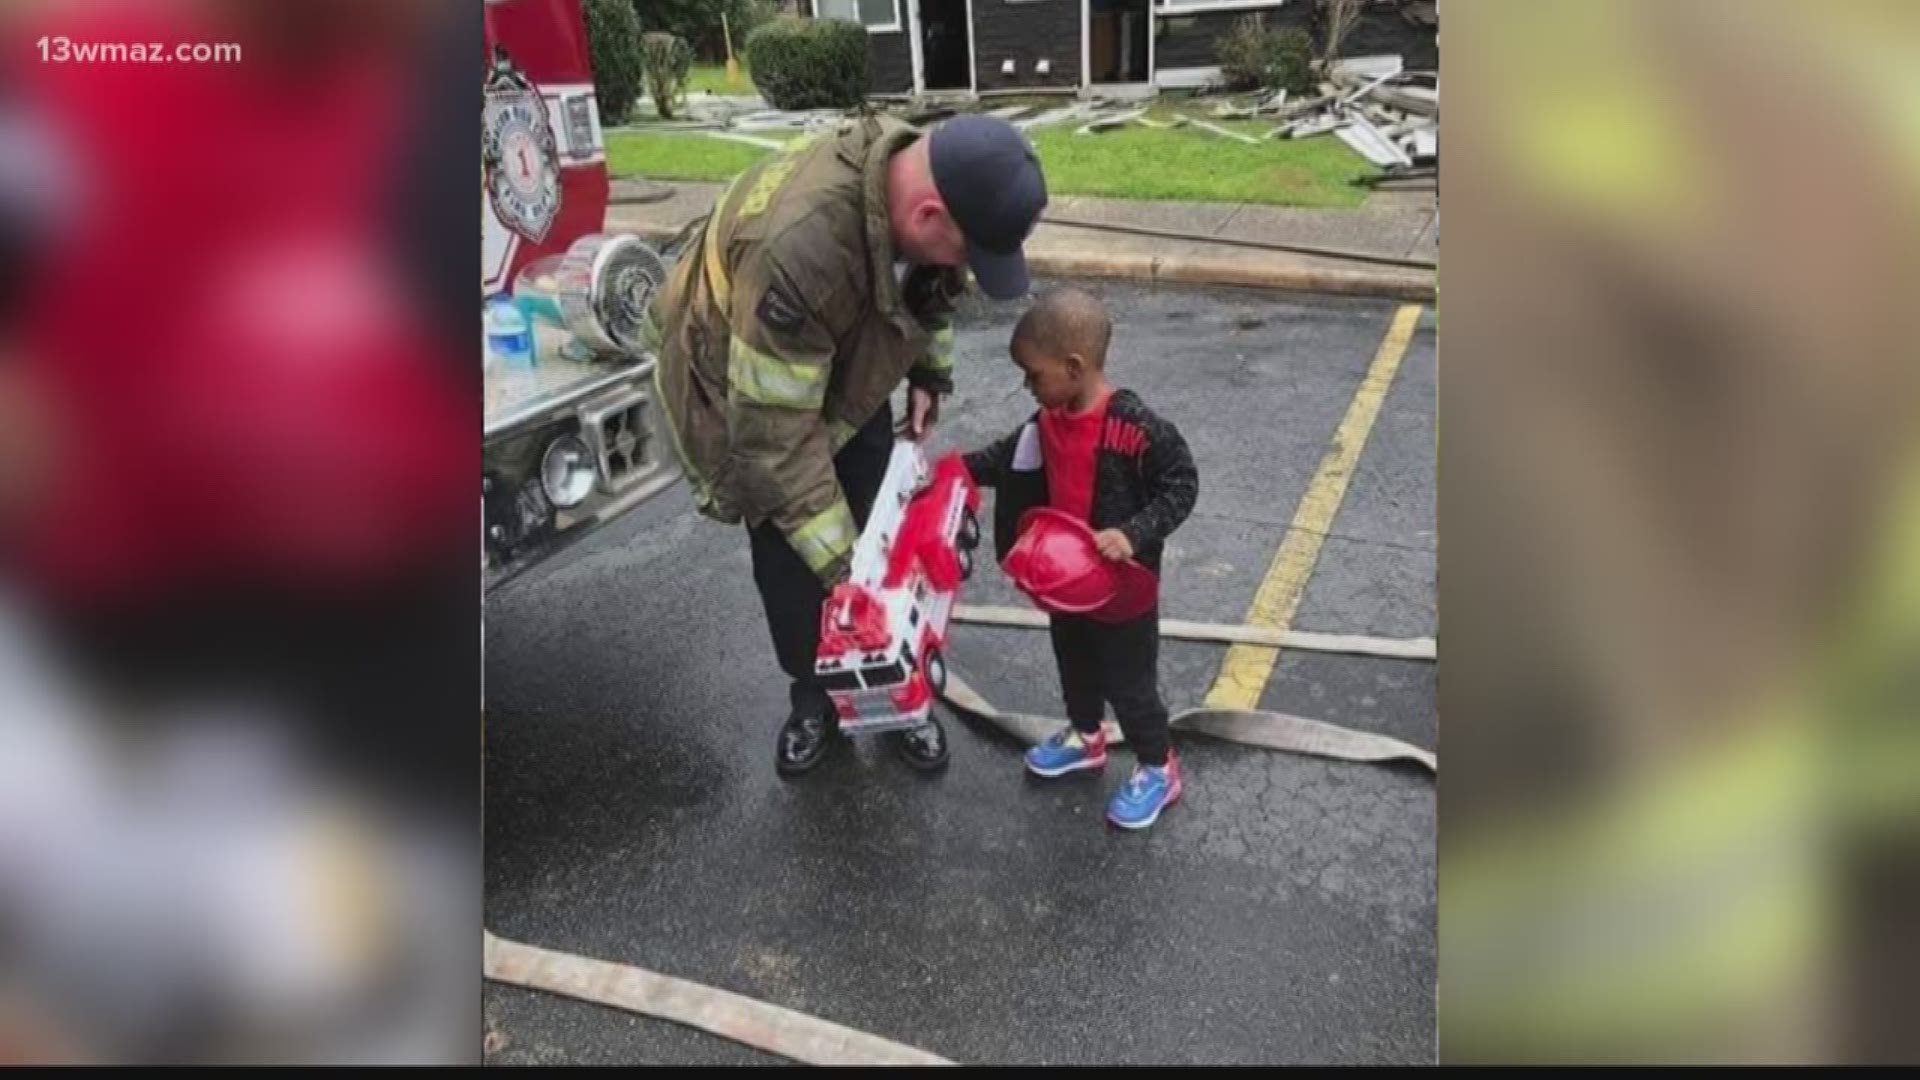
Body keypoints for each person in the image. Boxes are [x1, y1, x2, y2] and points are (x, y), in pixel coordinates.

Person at [646, 113, 1047, 778]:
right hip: (745, 392)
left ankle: (896, 695)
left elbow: (935, 288)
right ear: (926, 216)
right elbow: (777, 448)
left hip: (831, 362)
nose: (964, 268)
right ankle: (815, 701)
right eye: (965, 250)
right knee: (796, 558)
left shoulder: (914, 167)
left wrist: (928, 373)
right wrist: (855, 584)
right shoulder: (798, 255)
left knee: (878, 518)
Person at [962, 287, 1199, 829]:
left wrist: (1134, 533)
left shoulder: (1134, 426)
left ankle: (1158, 767)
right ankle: (1086, 737)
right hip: (1065, 583)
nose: (1027, 385)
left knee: (1130, 683)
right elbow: (1000, 459)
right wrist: (951, 471)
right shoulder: (1043, 422)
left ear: (1073, 366)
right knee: (1075, 666)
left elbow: (1182, 484)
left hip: (1120, 589)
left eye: (1033, 374)